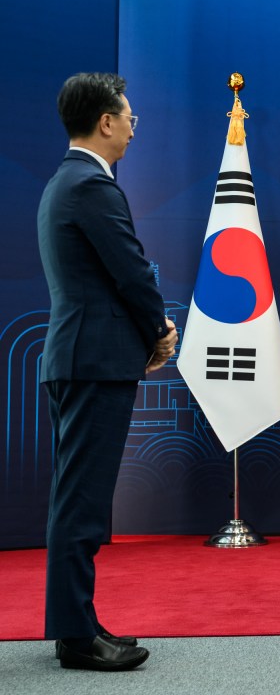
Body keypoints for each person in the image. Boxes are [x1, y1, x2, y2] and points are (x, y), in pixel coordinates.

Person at [38, 73, 176, 670]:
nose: (131, 128)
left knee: (77, 499)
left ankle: (77, 623)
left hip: (76, 358)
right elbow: (131, 271)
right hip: (94, 362)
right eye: (130, 118)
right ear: (105, 122)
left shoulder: (63, 182)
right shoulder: (93, 186)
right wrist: (160, 330)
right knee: (84, 503)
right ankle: (75, 637)